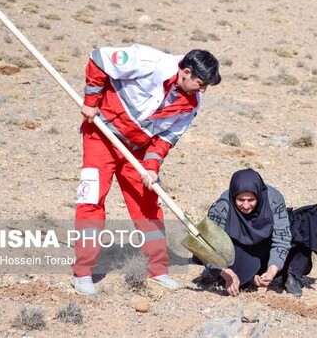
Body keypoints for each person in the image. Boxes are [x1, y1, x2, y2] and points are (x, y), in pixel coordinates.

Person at [71, 43, 221, 297]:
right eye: (200, 82)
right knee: (92, 199)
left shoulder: (191, 104)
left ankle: (157, 268)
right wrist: (91, 101)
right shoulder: (149, 62)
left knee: (149, 204)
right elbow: (98, 59)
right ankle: (82, 272)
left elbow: (164, 139)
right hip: (101, 135)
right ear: (185, 71)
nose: (203, 90)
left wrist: (151, 168)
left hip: (138, 149)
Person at [203, 168, 317, 297]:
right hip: (241, 250)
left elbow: (281, 238)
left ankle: (291, 275)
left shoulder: (272, 198)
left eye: (251, 200)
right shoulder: (222, 207)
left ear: (259, 195)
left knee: (308, 219)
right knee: (233, 277)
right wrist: (224, 272)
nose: (246, 206)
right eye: (240, 200)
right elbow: (206, 246)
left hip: (268, 246)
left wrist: (272, 270)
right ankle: (243, 276)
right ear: (233, 195)